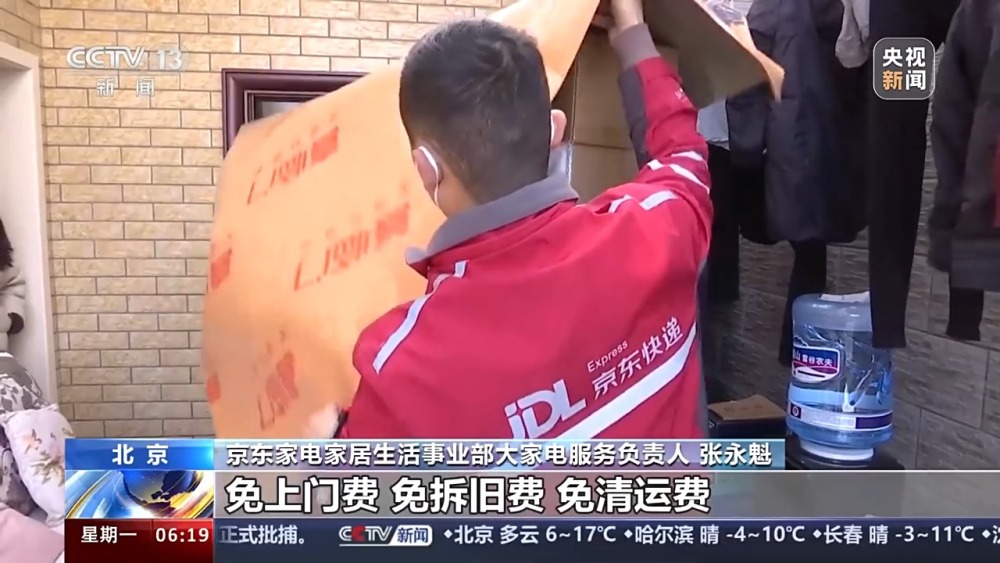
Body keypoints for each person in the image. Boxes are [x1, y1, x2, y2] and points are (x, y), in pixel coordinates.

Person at [336, 0, 712, 439]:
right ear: (555, 131)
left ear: (426, 168)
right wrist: (631, 31)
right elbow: (682, 154)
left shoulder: (401, 372)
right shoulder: (658, 230)